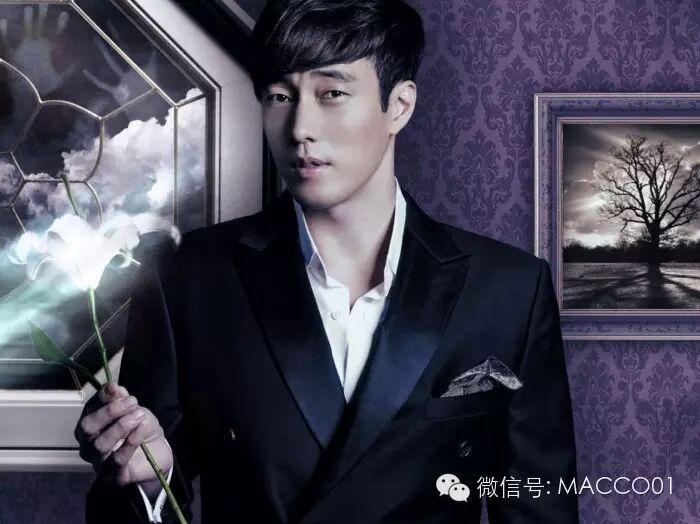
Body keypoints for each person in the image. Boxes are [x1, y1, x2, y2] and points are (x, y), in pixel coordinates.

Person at [76, 0, 579, 522]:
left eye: (332, 93)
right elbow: (130, 501)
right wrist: (145, 483)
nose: (299, 128)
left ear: (399, 106)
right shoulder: (189, 278)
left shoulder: (507, 292)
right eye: (279, 96)